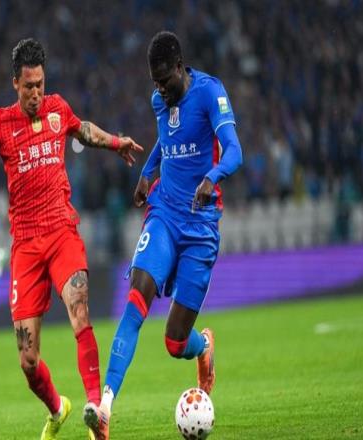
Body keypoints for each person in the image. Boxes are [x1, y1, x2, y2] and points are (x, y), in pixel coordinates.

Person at [0, 38, 143, 440]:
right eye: (28, 86)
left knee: (80, 310)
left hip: (62, 232)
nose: (36, 93)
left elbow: (83, 130)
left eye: (40, 84)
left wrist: (115, 141)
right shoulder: (1, 124)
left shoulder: (58, 108)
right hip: (26, 247)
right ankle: (57, 408)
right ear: (15, 83)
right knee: (28, 360)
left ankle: (96, 410)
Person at [97, 31, 243, 437]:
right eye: (155, 83)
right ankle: (104, 407)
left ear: (180, 67)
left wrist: (213, 176)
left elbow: (235, 150)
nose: (160, 90)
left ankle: (204, 347)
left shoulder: (210, 93)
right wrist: (148, 173)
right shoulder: (159, 100)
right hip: (164, 213)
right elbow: (166, 140)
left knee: (175, 342)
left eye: (165, 80)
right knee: (136, 296)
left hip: (201, 227)